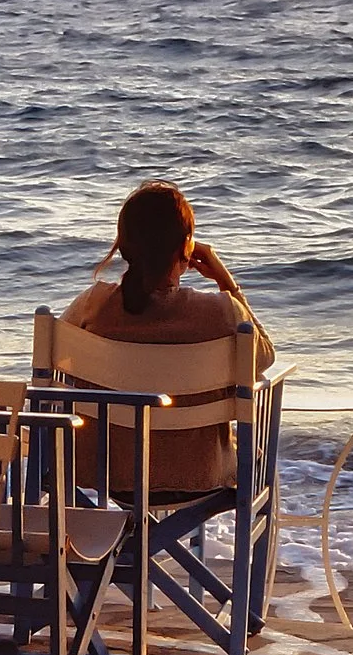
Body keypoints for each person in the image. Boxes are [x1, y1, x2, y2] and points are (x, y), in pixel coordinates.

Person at [62, 180, 275, 495]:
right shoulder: (220, 311)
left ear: (123, 245)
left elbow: (59, 364)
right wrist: (226, 282)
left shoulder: (93, 304)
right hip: (199, 475)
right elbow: (264, 356)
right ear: (186, 247)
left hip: (102, 472)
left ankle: (108, 540)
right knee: (261, 462)